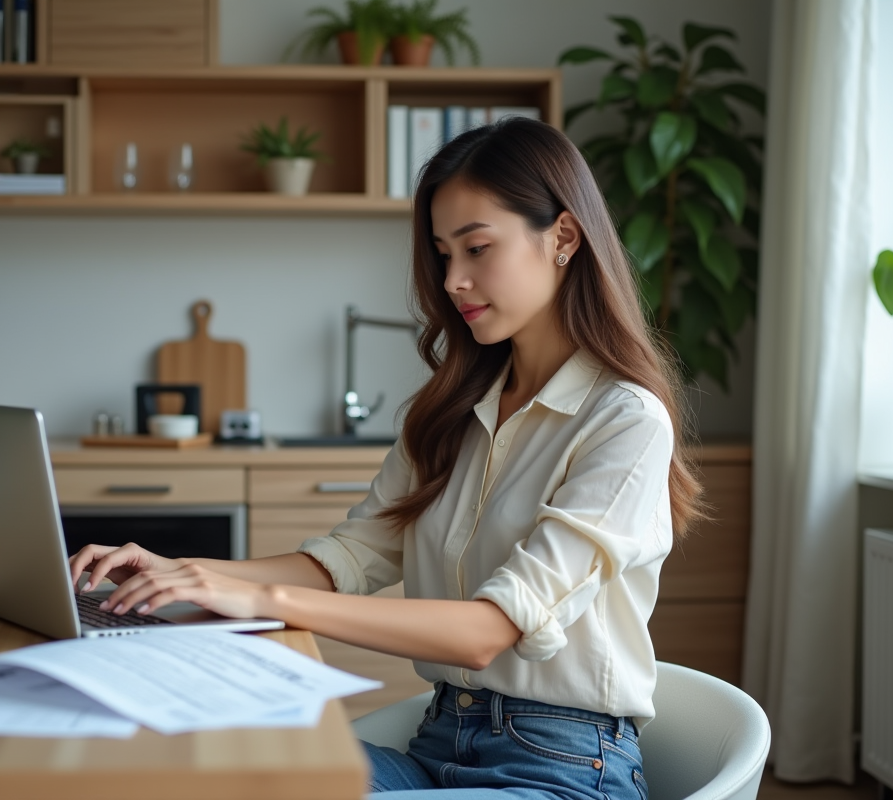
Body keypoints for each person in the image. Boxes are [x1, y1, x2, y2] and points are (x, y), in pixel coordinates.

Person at [69, 116, 705, 800]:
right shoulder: (451, 413)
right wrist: (186, 574)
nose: (455, 279)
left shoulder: (624, 421)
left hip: (562, 769)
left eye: (478, 247)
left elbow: (488, 632)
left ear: (564, 237)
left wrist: (260, 599)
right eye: (442, 254)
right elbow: (349, 558)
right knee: (217, 762)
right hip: (436, 746)